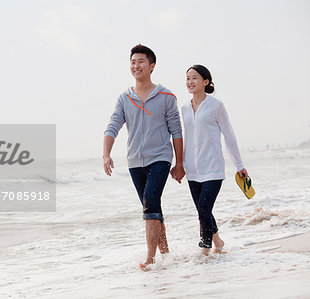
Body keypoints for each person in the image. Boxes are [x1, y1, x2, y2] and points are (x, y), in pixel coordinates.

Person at [103, 44, 185, 270]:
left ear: (152, 66)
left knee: (150, 204)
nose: (136, 66)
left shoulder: (166, 96)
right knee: (152, 207)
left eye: (140, 62)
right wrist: (106, 154)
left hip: (160, 157)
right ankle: (166, 254)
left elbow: (176, 131)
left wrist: (179, 163)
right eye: (132, 62)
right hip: (135, 162)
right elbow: (113, 126)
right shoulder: (124, 98)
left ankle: (150, 259)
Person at [177, 64, 248, 256]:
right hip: (193, 168)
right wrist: (180, 164)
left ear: (205, 81)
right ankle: (218, 240)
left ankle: (205, 249)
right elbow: (184, 138)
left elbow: (229, 135)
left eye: (194, 78)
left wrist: (239, 165)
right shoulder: (184, 108)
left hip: (213, 167)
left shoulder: (216, 105)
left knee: (204, 207)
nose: (190, 82)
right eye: (188, 78)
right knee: (203, 210)